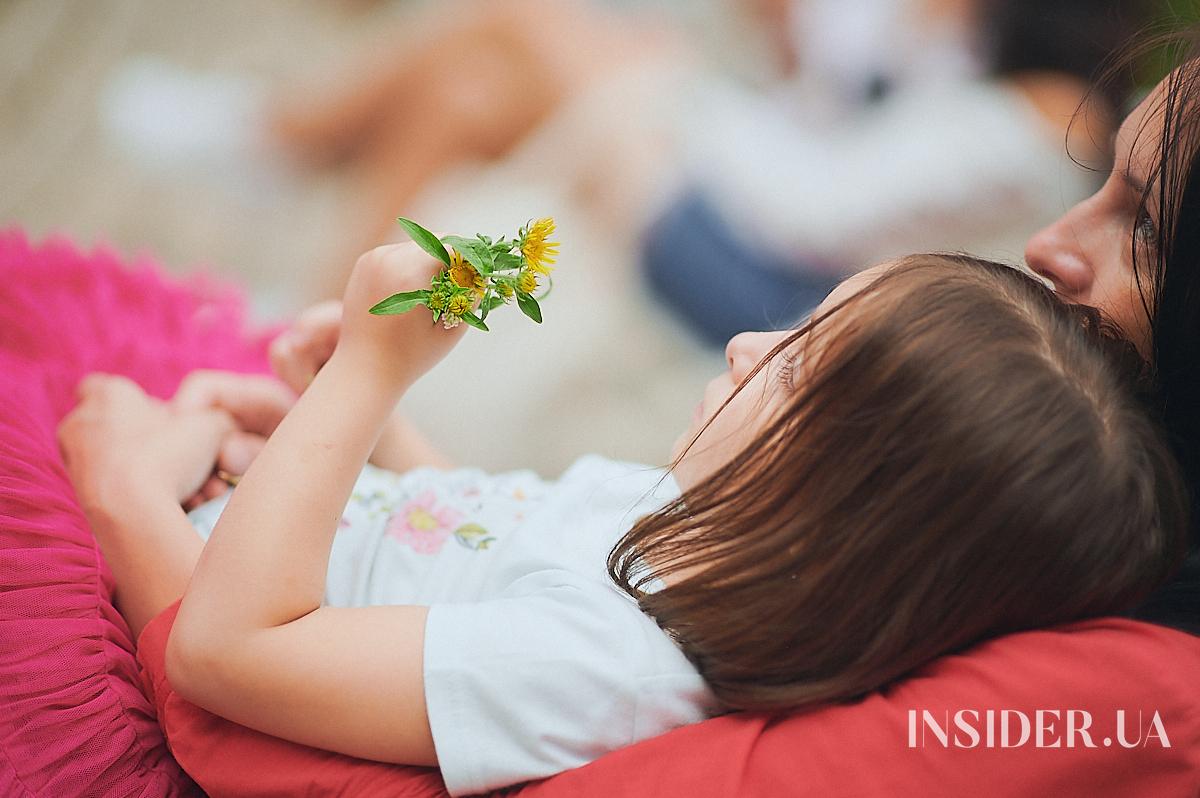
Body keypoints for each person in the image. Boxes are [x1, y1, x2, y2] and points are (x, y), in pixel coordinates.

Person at [57, 244, 1185, 796]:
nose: (747, 347)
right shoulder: (684, 521)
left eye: (795, 367)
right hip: (243, 518)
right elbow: (490, 535)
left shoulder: (611, 671)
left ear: (847, 505)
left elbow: (230, 651)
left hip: (180, 586)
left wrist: (362, 380)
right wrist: (362, 426)